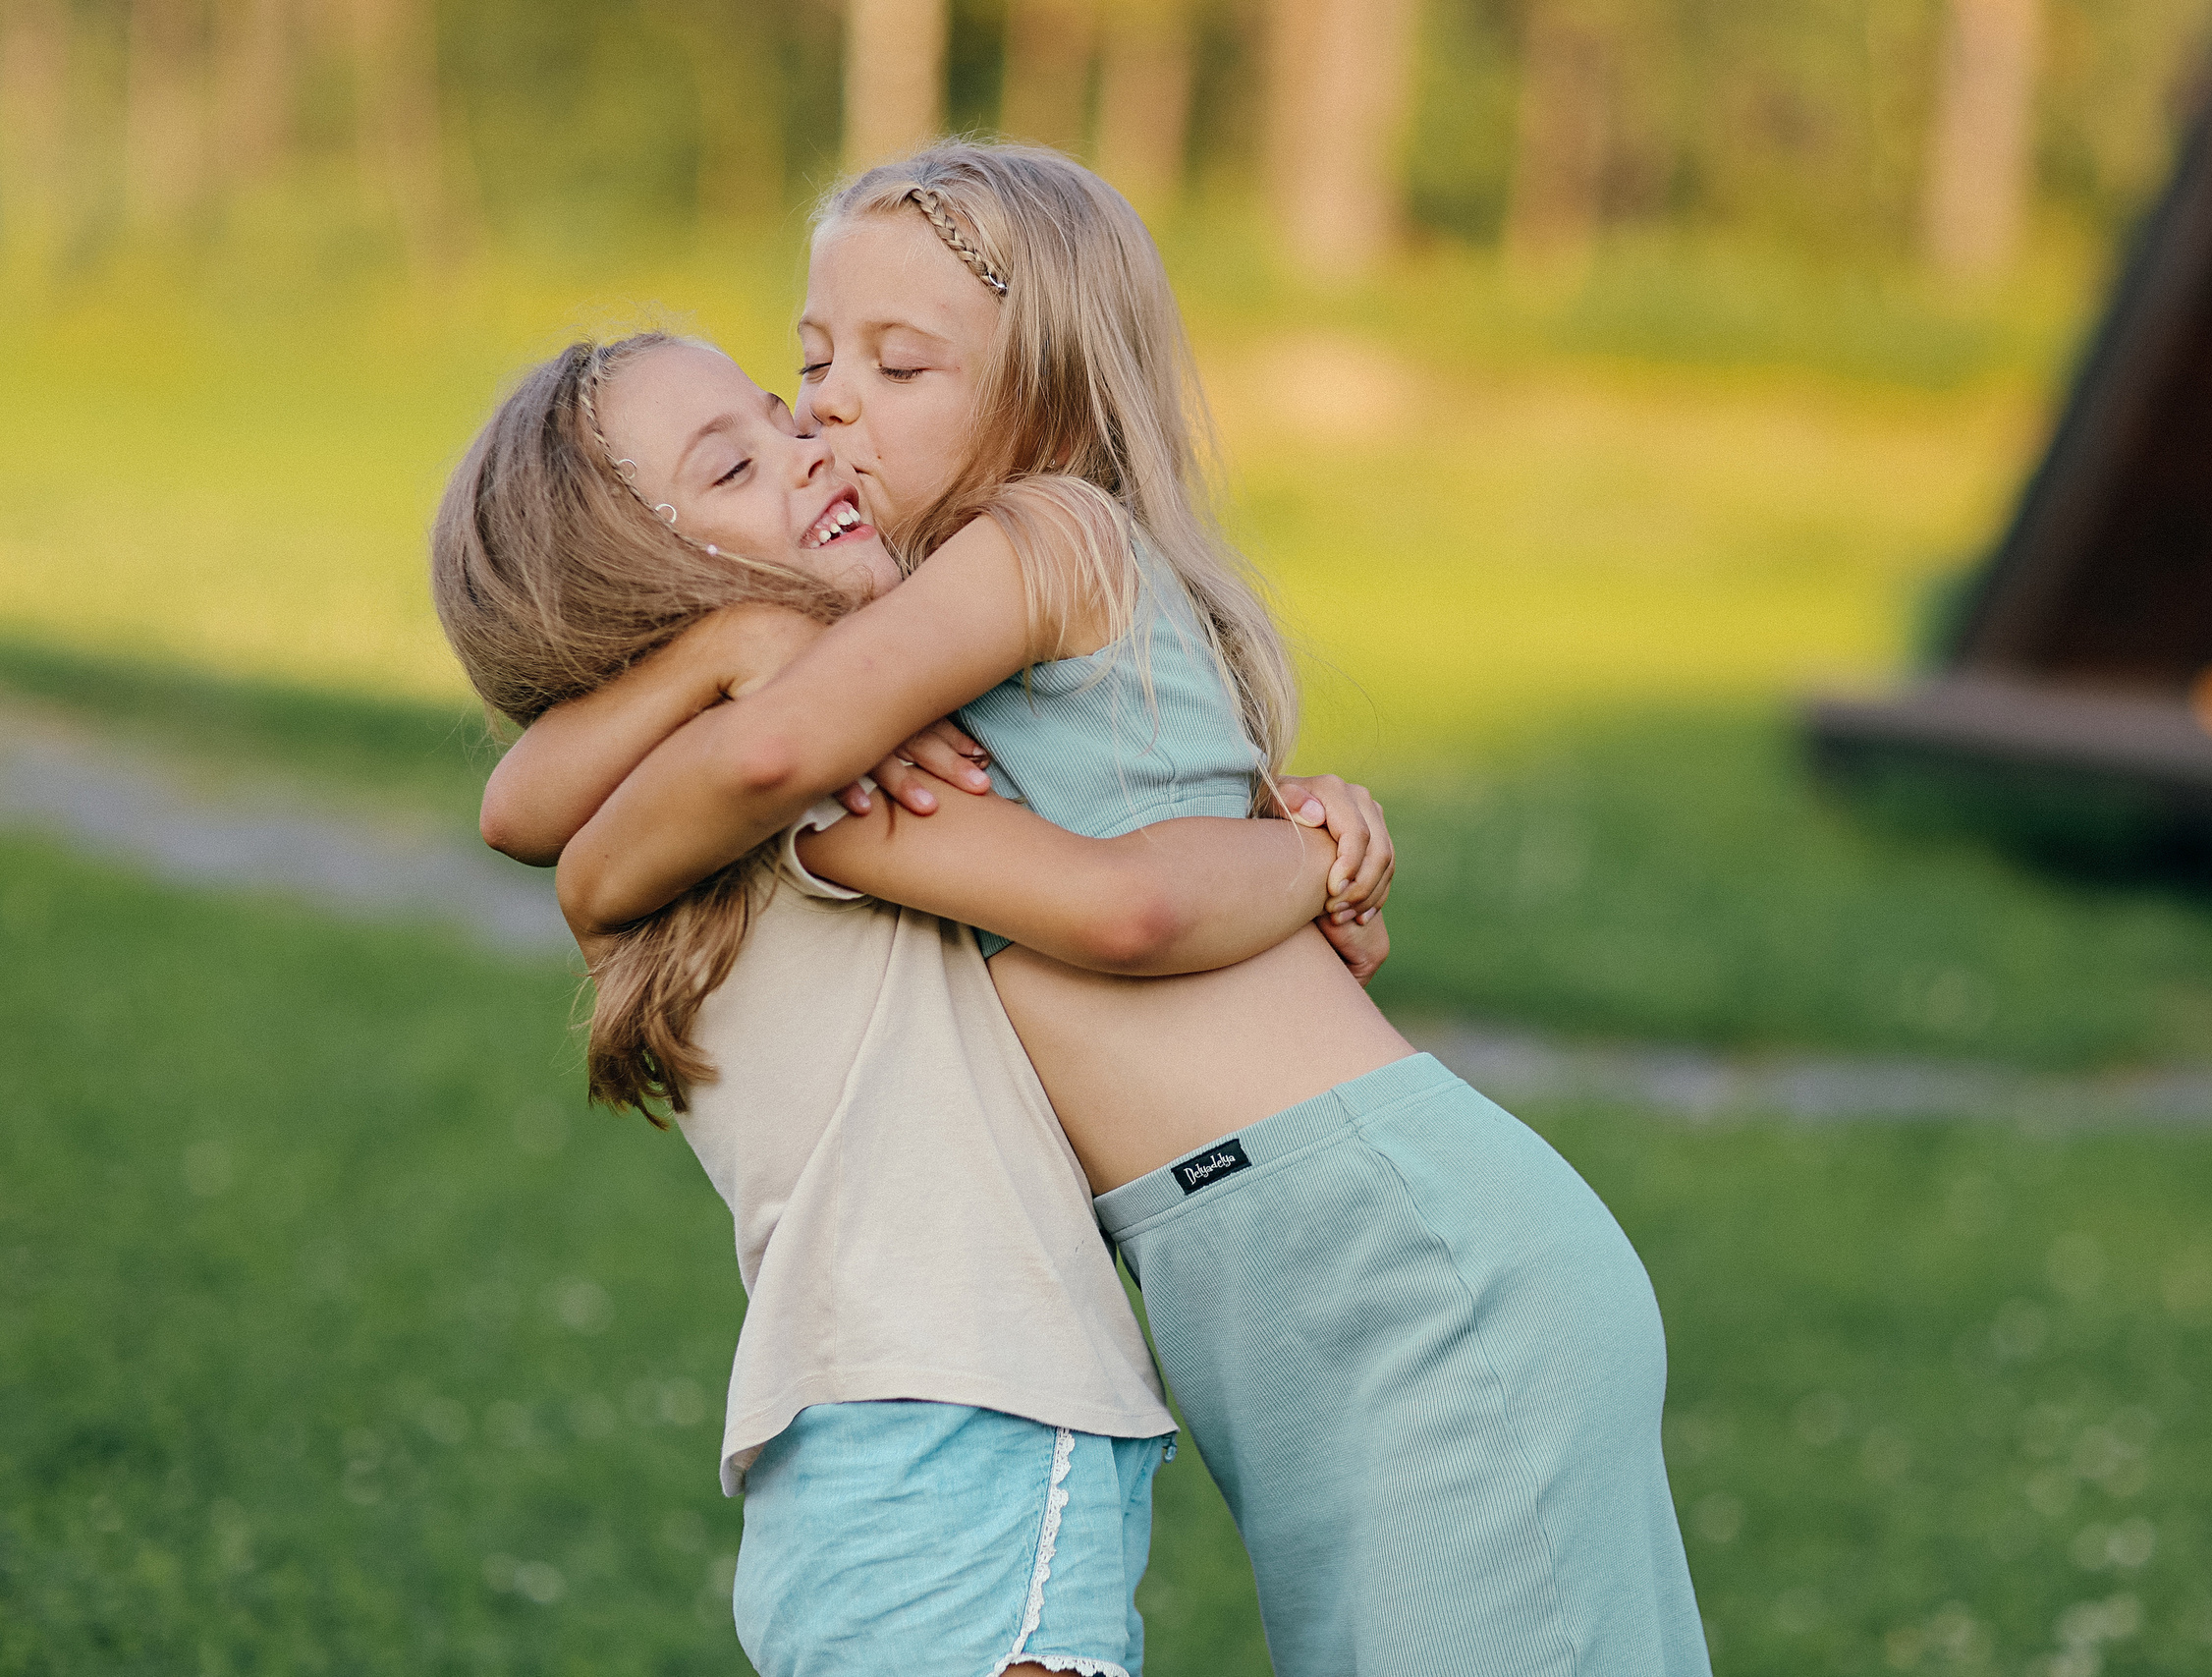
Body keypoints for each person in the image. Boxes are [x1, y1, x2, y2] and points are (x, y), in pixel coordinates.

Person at [489, 140, 1714, 1676]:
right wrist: (734, 641)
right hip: (1264, 1276)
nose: (827, 410)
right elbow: (530, 812)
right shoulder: (875, 671)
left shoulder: (1042, 537)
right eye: (812, 361)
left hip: (1391, 1250)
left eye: (899, 363)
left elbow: (1098, 902)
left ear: (1050, 399)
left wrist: (1312, 863)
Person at [431, 330, 1394, 1677]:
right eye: (734, 464)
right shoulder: (799, 785)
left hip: (865, 1448)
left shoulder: (779, 786)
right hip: (968, 1411)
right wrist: (1318, 857)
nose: (809, 444)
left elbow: (521, 802)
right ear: (634, 585)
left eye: (783, 414)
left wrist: (1289, 826)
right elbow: (1125, 909)